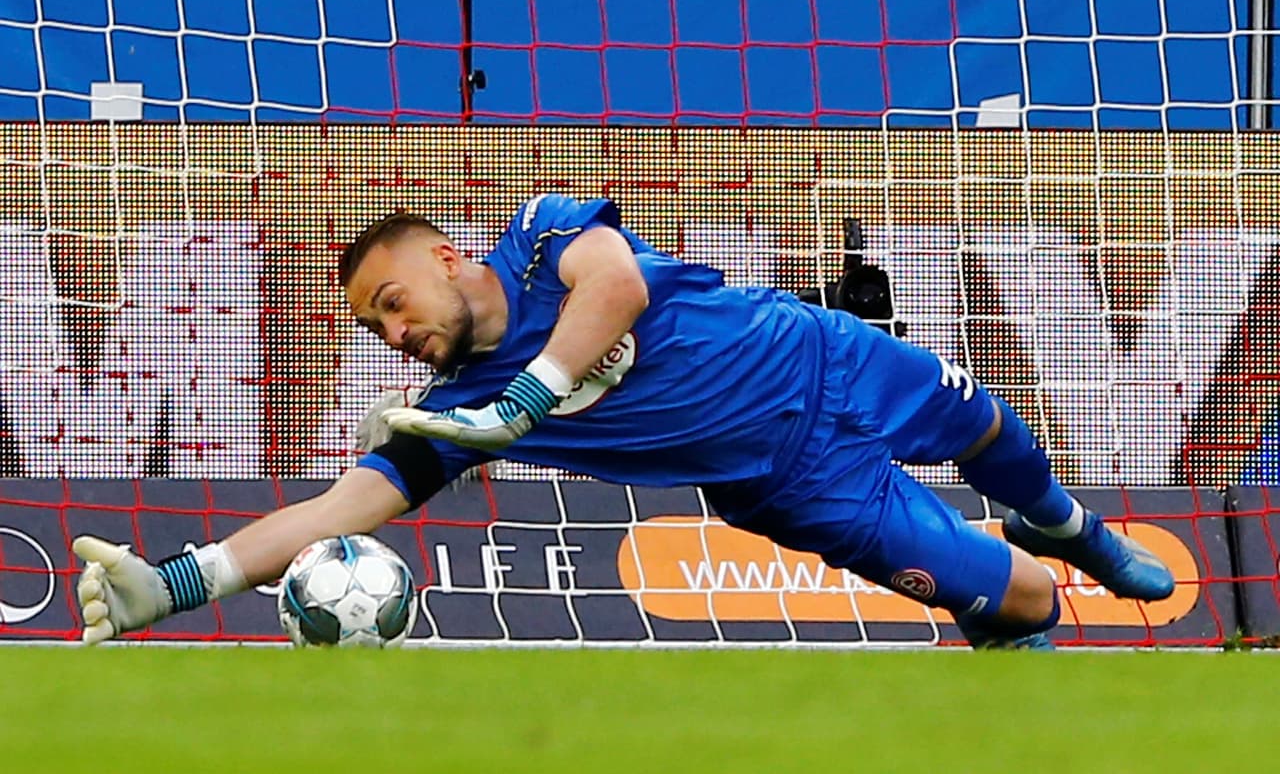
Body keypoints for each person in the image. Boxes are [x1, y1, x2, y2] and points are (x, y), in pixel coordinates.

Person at [72, 194, 1175, 650]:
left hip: (822, 357)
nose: (390, 335)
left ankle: (1069, 525)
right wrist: (176, 581)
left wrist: (526, 400)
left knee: (994, 433)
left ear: (447, 260)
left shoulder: (543, 233)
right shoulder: (450, 414)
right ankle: (1031, 577)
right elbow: (330, 507)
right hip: (791, 485)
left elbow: (619, 291)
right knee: (1014, 607)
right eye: (372, 330)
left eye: (393, 303)